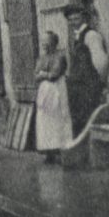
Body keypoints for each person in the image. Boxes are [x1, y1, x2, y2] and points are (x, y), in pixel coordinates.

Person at [64, 4, 109, 137]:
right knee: (78, 123)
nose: (73, 22)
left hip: (88, 88)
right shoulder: (77, 37)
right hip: (78, 89)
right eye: (70, 19)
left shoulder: (91, 35)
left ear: (83, 18)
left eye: (76, 18)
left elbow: (101, 61)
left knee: (88, 121)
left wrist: (100, 83)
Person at [34, 31, 72, 162]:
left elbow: (54, 74)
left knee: (58, 119)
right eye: (43, 41)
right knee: (45, 122)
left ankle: (60, 150)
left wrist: (43, 74)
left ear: (54, 43)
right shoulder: (41, 58)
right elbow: (36, 74)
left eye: (47, 41)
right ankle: (48, 151)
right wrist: (44, 74)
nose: (44, 44)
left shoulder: (59, 56)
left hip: (57, 89)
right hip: (44, 92)